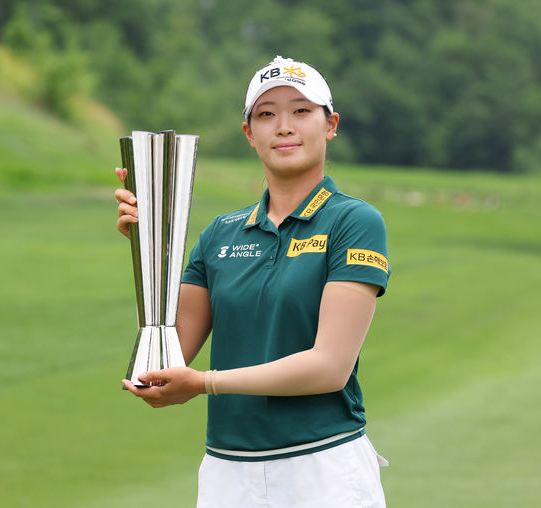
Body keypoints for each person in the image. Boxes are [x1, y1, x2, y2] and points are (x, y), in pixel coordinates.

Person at [115, 56, 390, 507]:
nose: (283, 127)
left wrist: (205, 382)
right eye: (266, 114)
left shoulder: (354, 221)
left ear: (330, 124)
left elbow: (329, 367)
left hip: (322, 468)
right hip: (226, 474)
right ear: (249, 133)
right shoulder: (220, 235)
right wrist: (149, 251)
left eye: (301, 111)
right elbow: (166, 360)